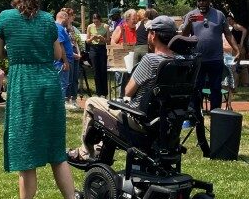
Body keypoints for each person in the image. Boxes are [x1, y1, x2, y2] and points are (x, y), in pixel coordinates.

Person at [0, 0, 83, 199]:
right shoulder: (47, 21)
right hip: (49, 86)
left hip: (24, 86)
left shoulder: (6, 18)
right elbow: (56, 54)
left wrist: (18, 50)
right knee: (56, 152)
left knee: (26, 154)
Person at [68, 14, 180, 163]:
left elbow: (128, 91)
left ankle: (85, 152)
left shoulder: (151, 60)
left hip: (139, 120)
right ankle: (100, 147)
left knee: (92, 102)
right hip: (165, 122)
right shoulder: (179, 61)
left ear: (153, 35)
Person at [181, 0, 238, 111]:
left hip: (215, 58)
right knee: (196, 87)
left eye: (204, 0)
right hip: (198, 59)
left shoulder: (219, 15)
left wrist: (236, 49)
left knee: (216, 88)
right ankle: (196, 113)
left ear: (209, 1)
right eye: (199, 1)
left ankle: (216, 113)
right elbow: (184, 35)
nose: (202, 3)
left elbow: (228, 33)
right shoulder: (191, 15)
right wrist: (189, 23)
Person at [55, 10, 77, 109]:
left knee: (64, 83)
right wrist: (65, 61)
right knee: (62, 84)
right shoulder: (59, 28)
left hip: (65, 60)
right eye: (67, 18)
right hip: (61, 62)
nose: (68, 20)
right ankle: (60, 106)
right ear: (63, 17)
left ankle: (60, 105)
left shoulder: (61, 28)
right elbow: (60, 45)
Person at [86, 13, 110, 97]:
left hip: (102, 48)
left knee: (103, 70)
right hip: (93, 49)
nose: (96, 22)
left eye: (97, 21)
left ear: (100, 20)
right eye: (94, 21)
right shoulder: (90, 27)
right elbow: (87, 41)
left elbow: (108, 41)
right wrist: (92, 38)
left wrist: (102, 38)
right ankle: (98, 92)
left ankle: (105, 92)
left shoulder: (105, 26)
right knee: (96, 71)